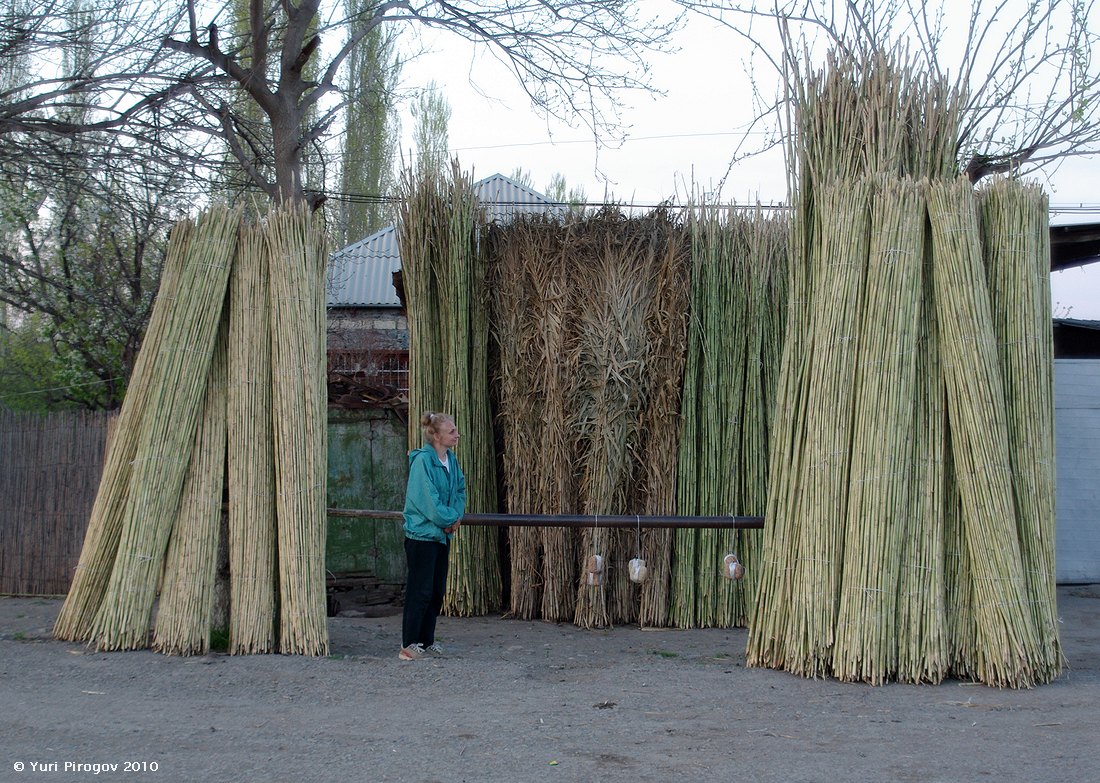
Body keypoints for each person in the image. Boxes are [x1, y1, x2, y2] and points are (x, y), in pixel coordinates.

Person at [398, 411, 465, 661]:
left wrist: (456, 517)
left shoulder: (451, 460)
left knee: (436, 590)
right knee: (420, 590)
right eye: (451, 431)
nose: (456, 435)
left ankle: (426, 641)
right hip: (422, 536)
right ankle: (409, 643)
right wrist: (449, 519)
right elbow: (428, 500)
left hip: (441, 536)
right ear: (436, 436)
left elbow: (459, 488)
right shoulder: (423, 461)